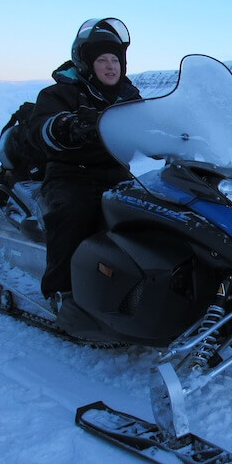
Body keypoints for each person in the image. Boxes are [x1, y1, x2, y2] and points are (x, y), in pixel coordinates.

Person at [29, 17, 142, 307]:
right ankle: (61, 293)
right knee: (75, 211)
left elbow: (151, 126)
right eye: (102, 60)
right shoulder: (62, 91)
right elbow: (41, 127)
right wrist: (69, 125)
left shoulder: (129, 96)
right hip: (70, 174)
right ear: (86, 64)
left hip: (117, 174)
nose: (110, 66)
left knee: (157, 213)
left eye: (115, 60)